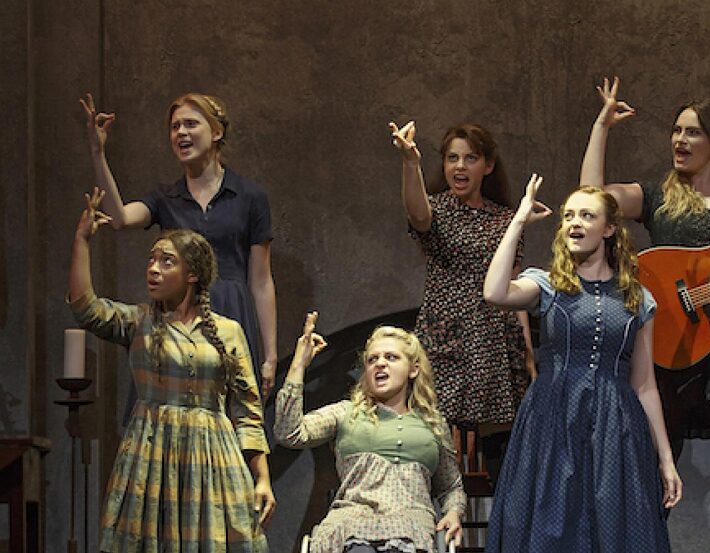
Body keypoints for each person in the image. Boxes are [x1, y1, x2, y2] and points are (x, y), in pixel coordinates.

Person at [579, 77, 710, 553]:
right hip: (668, 343)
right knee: (655, 460)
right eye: (676, 131)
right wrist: (601, 127)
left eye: (692, 133)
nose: (680, 141)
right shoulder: (659, 195)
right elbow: (591, 198)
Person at [482, 176, 682, 552]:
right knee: (551, 524)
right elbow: (494, 291)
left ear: (609, 229)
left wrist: (666, 460)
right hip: (554, 419)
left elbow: (645, 385)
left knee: (613, 529)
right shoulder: (549, 285)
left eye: (587, 216)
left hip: (615, 427)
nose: (575, 222)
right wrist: (519, 221)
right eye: (569, 215)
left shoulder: (638, 299)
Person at [68, 188, 274, 552]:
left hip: (211, 456)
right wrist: (82, 242)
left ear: (192, 274)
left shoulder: (227, 332)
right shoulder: (140, 321)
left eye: (166, 262)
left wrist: (262, 477)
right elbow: (87, 309)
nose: (153, 269)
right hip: (152, 455)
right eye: (151, 260)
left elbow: (247, 410)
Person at [80, 93, 278, 398]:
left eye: (190, 124)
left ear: (216, 132)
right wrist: (98, 152)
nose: (181, 133)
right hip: (176, 315)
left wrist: (270, 355)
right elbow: (119, 218)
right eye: (175, 127)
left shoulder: (249, 196)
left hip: (230, 311)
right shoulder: (165, 197)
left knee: (229, 416)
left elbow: (262, 281)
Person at [389, 120, 534, 473]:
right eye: (452, 158)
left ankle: (506, 523)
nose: (459, 166)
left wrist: (528, 351)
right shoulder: (437, 210)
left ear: (487, 165)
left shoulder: (505, 219)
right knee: (434, 438)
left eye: (470, 158)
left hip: (494, 338)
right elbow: (417, 213)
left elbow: (514, 285)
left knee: (502, 445)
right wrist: (410, 162)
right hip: (446, 338)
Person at [274, 313, 466, 553]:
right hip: (351, 524)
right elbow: (288, 432)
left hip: (410, 528)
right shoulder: (346, 413)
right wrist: (298, 365)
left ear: (413, 369)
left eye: (391, 357)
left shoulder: (432, 424)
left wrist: (453, 512)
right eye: (372, 359)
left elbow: (451, 487)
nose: (380, 363)